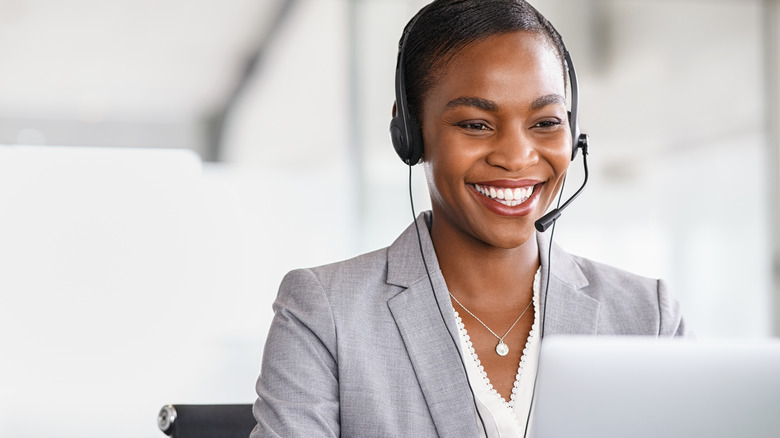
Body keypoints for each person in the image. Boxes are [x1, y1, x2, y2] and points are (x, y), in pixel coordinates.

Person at [251, 1, 689, 437]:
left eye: (545, 123)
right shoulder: (325, 314)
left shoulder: (647, 317)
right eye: (477, 124)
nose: (516, 157)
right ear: (410, 134)